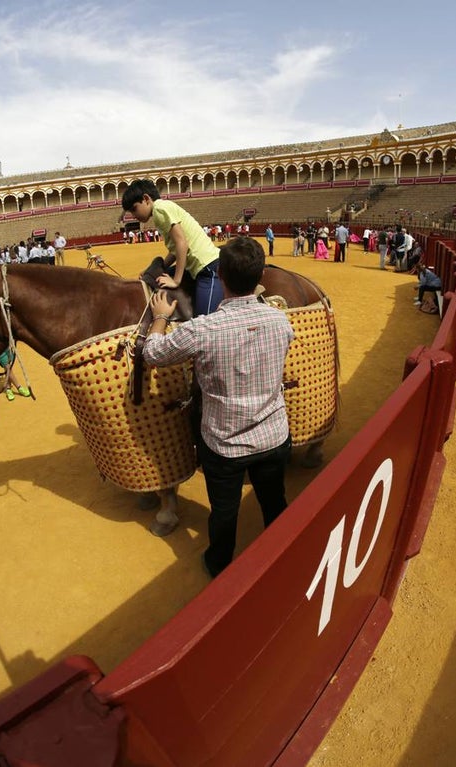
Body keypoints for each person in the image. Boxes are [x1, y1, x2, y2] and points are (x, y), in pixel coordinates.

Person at [143, 237, 294, 578]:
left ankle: (219, 564)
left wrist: (160, 318)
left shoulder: (202, 329)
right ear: (260, 277)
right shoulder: (280, 322)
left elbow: (152, 353)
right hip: (273, 435)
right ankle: (285, 554)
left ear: (221, 276)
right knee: (275, 500)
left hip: (226, 445)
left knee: (224, 512)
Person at [122, 179, 224, 316]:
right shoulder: (163, 207)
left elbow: (182, 243)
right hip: (197, 265)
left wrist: (176, 281)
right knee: (157, 276)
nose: (134, 216)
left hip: (208, 267)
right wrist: (156, 269)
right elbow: (176, 250)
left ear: (146, 199)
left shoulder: (159, 209)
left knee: (204, 319)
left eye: (134, 209)